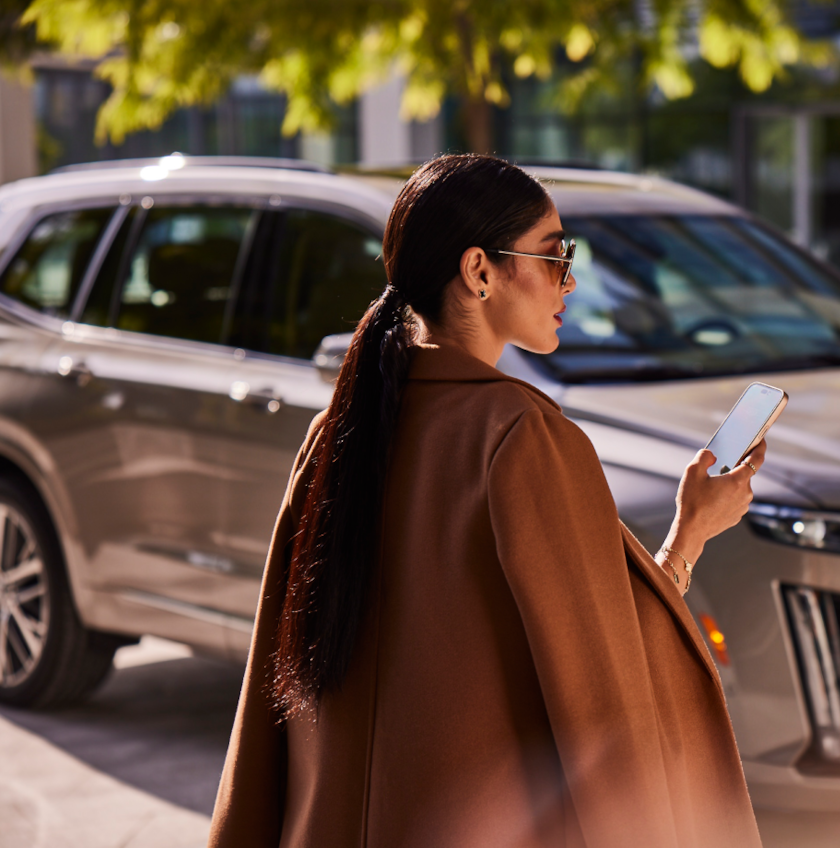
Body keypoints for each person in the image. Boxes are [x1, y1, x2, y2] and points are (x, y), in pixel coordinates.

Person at [208, 154, 766, 847]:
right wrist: (689, 537)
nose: (569, 279)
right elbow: (605, 693)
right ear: (479, 271)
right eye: (555, 255)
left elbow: (270, 696)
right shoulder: (522, 438)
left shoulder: (338, 433)